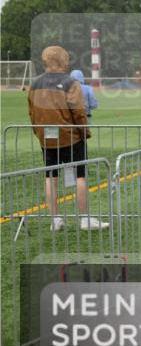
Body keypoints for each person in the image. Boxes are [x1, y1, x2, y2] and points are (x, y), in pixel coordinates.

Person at [27, 46, 108, 231]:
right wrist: (84, 133)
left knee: (50, 177)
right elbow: (79, 112)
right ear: (63, 60)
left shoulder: (35, 83)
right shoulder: (71, 83)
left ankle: (55, 220)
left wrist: (39, 134)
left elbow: (32, 113)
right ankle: (85, 219)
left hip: (46, 138)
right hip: (71, 137)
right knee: (80, 176)